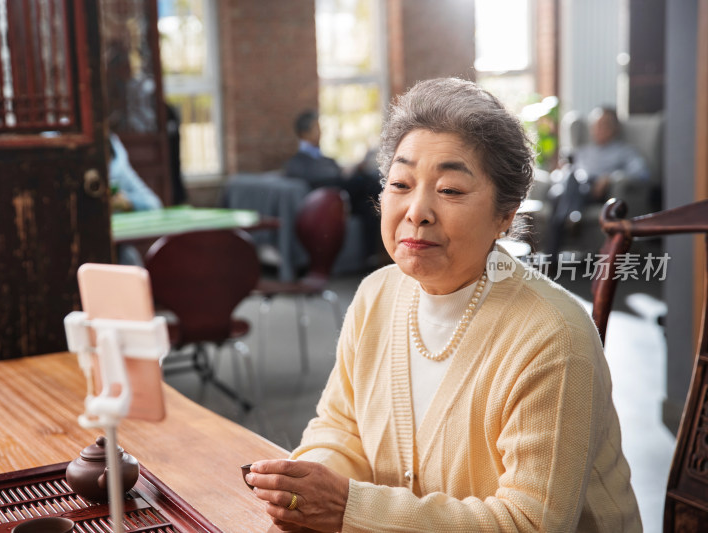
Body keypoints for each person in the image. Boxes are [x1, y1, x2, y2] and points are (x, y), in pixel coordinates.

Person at [244, 78, 641, 532]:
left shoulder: (553, 338)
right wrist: (304, 488)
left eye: (450, 190)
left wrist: (348, 508)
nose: (417, 211)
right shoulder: (376, 294)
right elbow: (340, 426)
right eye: (400, 183)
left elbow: (530, 523)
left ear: (505, 215)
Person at [544, 106, 650, 260]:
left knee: (561, 197)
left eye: (604, 124)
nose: (599, 129)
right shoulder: (582, 151)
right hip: (572, 188)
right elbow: (564, 175)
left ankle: (550, 258)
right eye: (596, 125)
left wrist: (610, 178)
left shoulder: (624, 151)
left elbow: (642, 173)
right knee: (568, 180)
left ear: (615, 128)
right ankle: (573, 216)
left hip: (595, 191)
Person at [285, 109, 384, 262]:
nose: (321, 133)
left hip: (345, 194)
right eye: (317, 128)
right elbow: (320, 180)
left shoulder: (325, 158)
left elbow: (338, 174)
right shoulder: (297, 162)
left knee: (369, 204)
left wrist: (350, 171)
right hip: (328, 199)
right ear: (304, 133)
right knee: (368, 181)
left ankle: (372, 255)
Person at [108, 132, 163, 265]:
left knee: (129, 258)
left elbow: (153, 205)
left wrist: (127, 202)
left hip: (117, 249)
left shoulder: (118, 171)